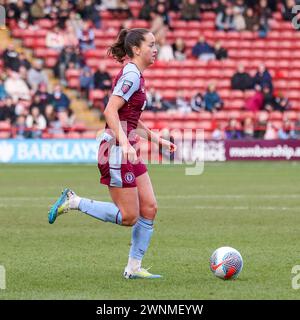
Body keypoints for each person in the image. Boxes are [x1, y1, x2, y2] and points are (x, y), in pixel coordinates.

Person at [48, 28, 176, 279]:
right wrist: (125, 144)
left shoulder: (137, 74)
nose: (155, 48)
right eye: (151, 44)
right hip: (116, 150)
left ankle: (134, 268)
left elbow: (130, 119)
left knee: (149, 208)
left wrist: (156, 139)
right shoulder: (131, 73)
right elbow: (110, 112)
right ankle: (74, 201)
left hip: (126, 147)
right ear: (136, 49)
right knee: (129, 216)